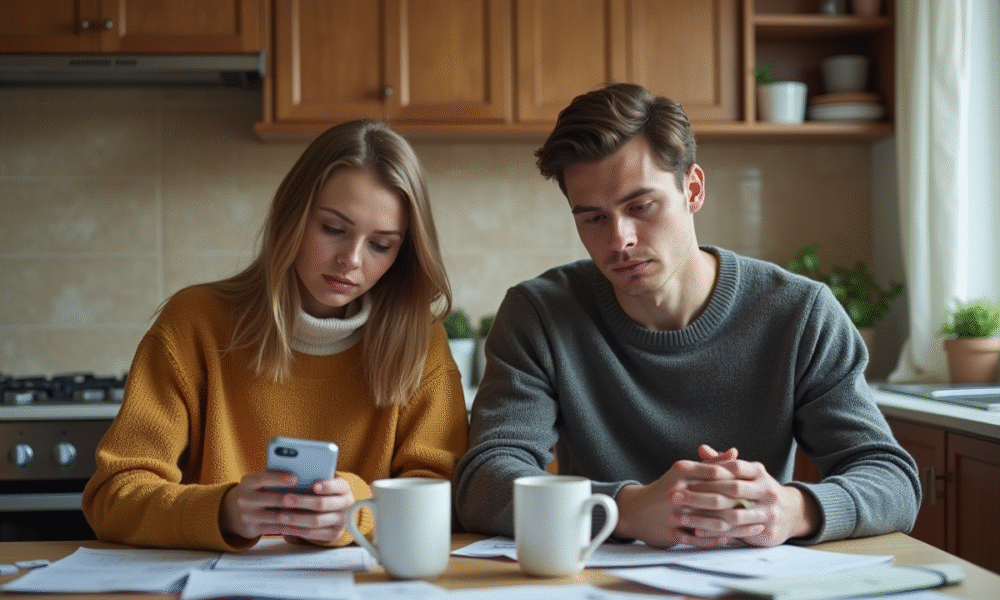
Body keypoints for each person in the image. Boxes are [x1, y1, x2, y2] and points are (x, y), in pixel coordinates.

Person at [454, 83, 920, 549]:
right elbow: (484, 482)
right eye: (593, 218)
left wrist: (792, 510)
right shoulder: (538, 314)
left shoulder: (800, 313)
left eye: (641, 206)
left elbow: (892, 480)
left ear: (692, 190)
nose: (620, 241)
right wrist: (627, 510)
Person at [83, 119, 469, 551]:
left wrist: (356, 510)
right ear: (291, 214)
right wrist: (223, 509)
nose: (351, 259)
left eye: (381, 245)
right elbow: (113, 496)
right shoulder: (193, 324)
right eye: (333, 229)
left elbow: (444, 496)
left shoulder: (422, 344)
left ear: (403, 253)